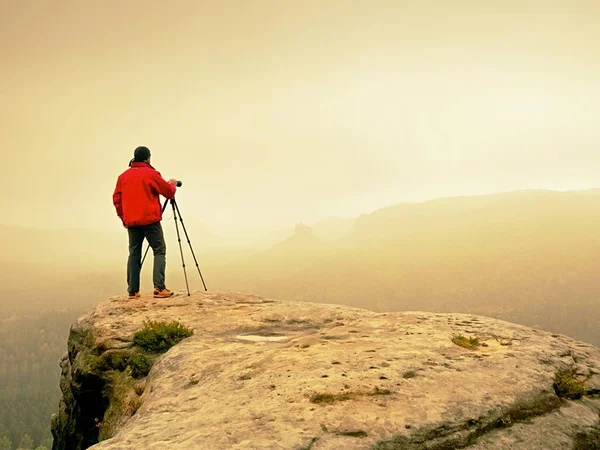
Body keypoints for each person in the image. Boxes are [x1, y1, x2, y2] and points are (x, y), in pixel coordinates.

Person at [112, 146, 178, 299]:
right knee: (159, 250)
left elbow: (116, 199)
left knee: (134, 253)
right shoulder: (151, 174)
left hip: (131, 222)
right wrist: (172, 184)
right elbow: (168, 192)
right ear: (148, 158)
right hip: (150, 221)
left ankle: (133, 291)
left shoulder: (123, 177)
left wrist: (123, 217)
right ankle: (159, 287)